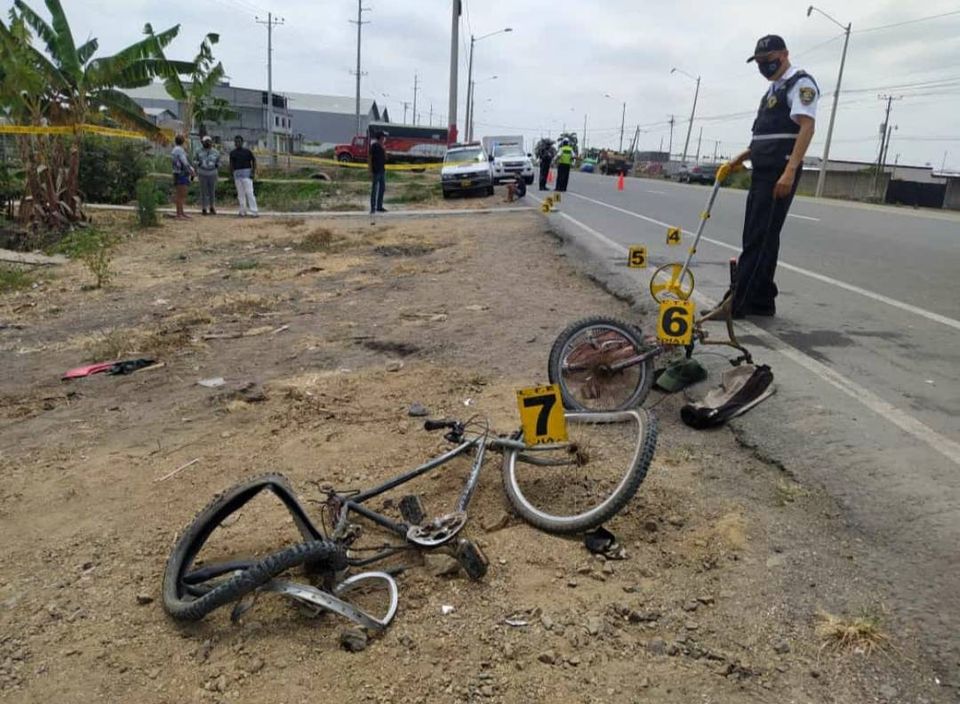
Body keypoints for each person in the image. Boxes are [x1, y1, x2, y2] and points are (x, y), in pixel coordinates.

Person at [719, 35, 818, 318]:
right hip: (763, 168)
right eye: (759, 62)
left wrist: (789, 171)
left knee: (758, 236)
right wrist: (741, 157)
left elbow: (807, 127)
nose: (763, 66)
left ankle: (737, 303)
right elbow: (766, 135)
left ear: (784, 54)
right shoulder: (773, 90)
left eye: (768, 60)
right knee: (764, 235)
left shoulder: (800, 84)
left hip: (779, 170)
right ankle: (762, 300)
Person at [229, 135, 259, 218]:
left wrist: (253, 172)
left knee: (249, 193)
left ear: (242, 142)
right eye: (236, 142)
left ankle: (254, 211)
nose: (237, 143)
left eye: (239, 142)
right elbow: (231, 164)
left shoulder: (247, 152)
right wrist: (231, 174)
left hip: (246, 174)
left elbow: (254, 161)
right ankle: (242, 210)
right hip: (237, 175)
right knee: (240, 194)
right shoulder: (232, 153)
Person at [194, 135, 221, 215]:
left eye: (209, 141)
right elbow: (194, 161)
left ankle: (212, 207)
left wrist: (217, 165)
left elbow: (219, 162)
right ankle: (204, 208)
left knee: (212, 191)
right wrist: (199, 163)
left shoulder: (216, 152)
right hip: (202, 173)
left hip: (212, 173)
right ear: (202, 142)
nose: (207, 143)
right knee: (203, 191)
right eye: (205, 142)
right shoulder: (198, 151)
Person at [171, 135, 195, 220]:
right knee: (181, 194)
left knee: (182, 194)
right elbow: (184, 162)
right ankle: (179, 214)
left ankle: (181, 212)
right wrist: (191, 170)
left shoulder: (176, 150)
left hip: (178, 173)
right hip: (181, 173)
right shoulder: (179, 150)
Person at [369, 131, 387, 214]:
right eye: (383, 137)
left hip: (382, 170)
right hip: (375, 170)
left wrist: (384, 149)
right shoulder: (374, 146)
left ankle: (379, 206)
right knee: (374, 189)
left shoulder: (382, 147)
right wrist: (370, 170)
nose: (384, 139)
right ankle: (373, 207)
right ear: (380, 138)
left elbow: (386, 158)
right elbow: (369, 157)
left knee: (382, 189)